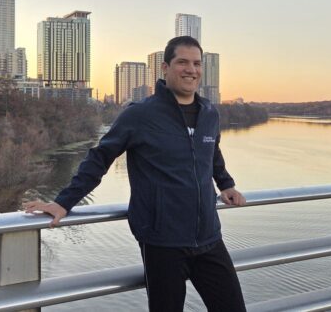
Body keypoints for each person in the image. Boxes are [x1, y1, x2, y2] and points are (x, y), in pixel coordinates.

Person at [24, 36, 247, 312]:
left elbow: (211, 152)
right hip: (162, 242)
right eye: (183, 62)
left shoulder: (209, 113)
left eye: (197, 63)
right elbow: (100, 157)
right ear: (165, 68)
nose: (192, 69)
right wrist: (63, 202)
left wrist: (225, 184)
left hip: (209, 237)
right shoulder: (140, 115)